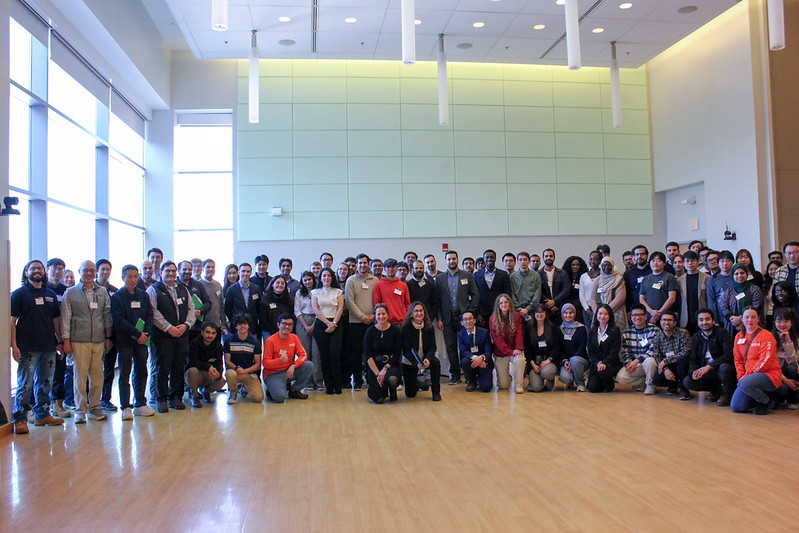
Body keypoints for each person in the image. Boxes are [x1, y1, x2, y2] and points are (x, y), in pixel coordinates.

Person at [10, 260, 64, 434]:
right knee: (25, 383)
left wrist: (60, 341)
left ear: (43, 272)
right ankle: (20, 418)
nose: (37, 271)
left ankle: (42, 414)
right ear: (26, 273)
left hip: (48, 346)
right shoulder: (19, 294)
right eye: (33, 269)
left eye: (39, 268)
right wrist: (14, 345)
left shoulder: (50, 295)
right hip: (27, 347)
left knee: (46, 382)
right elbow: (12, 322)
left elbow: (56, 321)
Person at [62, 260, 113, 423]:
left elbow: (107, 316)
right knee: (80, 376)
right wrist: (66, 341)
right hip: (78, 340)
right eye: (86, 271)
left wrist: (108, 338)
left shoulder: (102, 292)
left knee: (97, 376)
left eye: (92, 271)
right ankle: (80, 410)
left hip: (98, 340)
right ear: (80, 271)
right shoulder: (70, 293)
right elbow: (65, 318)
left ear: (95, 272)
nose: (89, 274)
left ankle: (95, 408)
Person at [147, 261, 196, 413]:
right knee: (163, 367)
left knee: (178, 366)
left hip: (181, 335)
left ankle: (176, 397)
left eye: (173, 271)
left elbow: (191, 309)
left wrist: (186, 325)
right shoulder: (153, 290)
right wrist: (168, 328)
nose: (171, 274)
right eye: (167, 271)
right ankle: (161, 398)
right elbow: (153, 312)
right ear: (161, 272)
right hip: (162, 337)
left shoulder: (183, 289)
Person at [110, 264, 155, 419]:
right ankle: (125, 406)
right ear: (123, 277)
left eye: (136, 276)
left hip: (142, 341)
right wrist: (137, 333)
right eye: (129, 276)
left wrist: (145, 333)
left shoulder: (143, 295)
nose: (133, 279)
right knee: (124, 372)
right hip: (125, 340)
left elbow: (149, 315)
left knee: (142, 370)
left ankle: (140, 403)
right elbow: (119, 320)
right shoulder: (116, 297)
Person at [435, 250, 479, 385]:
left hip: (464, 318)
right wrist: (439, 318)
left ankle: (469, 375)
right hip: (448, 319)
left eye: (453, 259)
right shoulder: (440, 278)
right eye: (449, 259)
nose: (451, 261)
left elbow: (475, 295)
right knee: (451, 347)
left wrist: (470, 313)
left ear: (457, 260)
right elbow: (437, 300)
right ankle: (455, 375)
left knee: (467, 346)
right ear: (445, 261)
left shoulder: (466, 276)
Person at [730, 307, 781, 415]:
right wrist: (741, 376)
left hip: (768, 375)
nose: (750, 320)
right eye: (747, 317)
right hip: (747, 379)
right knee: (736, 407)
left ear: (758, 319)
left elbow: (765, 361)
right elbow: (738, 360)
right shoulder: (738, 337)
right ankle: (757, 398)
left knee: (745, 383)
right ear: (742, 319)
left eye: (753, 317)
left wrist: (746, 376)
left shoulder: (766, 336)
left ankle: (765, 401)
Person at [683, 308, 736, 406]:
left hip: (720, 368)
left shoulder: (722, 333)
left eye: (707, 319)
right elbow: (693, 359)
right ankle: (716, 390)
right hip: (706, 370)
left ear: (713, 321)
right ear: (698, 323)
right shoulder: (695, 337)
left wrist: (710, 366)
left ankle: (727, 395)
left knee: (725, 368)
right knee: (688, 381)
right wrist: (693, 372)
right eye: (701, 320)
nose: (704, 322)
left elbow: (728, 354)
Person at [262, 313, 315, 403]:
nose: (287, 327)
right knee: (280, 398)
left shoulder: (294, 338)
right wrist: (279, 361)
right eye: (284, 324)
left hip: (288, 371)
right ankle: (271, 390)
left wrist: (293, 365)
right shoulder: (270, 341)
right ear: (278, 325)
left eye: (290, 324)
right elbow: (265, 363)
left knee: (309, 365)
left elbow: (303, 355)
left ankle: (294, 390)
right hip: (273, 374)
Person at [344, 254, 378, 391]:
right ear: (356, 264)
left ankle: (371, 379)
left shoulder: (375, 280)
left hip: (373, 322)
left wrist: (373, 316)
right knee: (356, 353)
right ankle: (357, 380)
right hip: (356, 323)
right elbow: (349, 301)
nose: (363, 265)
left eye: (365, 262)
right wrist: (362, 317)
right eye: (360, 263)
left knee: (371, 352)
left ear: (369, 264)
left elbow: (378, 299)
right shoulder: (351, 280)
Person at [311, 267, 345, 394]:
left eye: (329, 275)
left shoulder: (338, 292)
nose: (326, 278)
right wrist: (327, 323)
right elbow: (315, 309)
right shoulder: (315, 292)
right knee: (324, 356)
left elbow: (340, 308)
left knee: (334, 355)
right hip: (321, 324)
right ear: (320, 278)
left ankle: (338, 385)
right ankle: (329, 386)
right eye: (324, 275)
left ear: (332, 277)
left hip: (336, 324)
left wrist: (334, 323)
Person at [616, 304, 662, 394]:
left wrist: (637, 360)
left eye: (640, 315)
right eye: (634, 315)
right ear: (631, 317)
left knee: (650, 361)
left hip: (651, 363)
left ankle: (650, 385)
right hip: (636, 365)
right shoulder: (627, 332)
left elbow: (654, 350)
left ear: (645, 317)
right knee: (621, 377)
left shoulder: (654, 330)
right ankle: (642, 383)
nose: (637, 317)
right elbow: (625, 352)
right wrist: (629, 363)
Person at [401, 302, 442, 401]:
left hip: (425, 357)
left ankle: (436, 393)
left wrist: (427, 359)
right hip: (410, 361)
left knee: (436, 363)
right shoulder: (405, 328)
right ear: (411, 313)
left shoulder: (429, 326)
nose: (419, 313)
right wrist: (417, 364)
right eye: (416, 311)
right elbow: (406, 350)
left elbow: (433, 346)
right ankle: (418, 383)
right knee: (410, 394)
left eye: (421, 310)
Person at [363, 304, 401, 404]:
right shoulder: (370, 331)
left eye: (383, 314)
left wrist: (385, 369)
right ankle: (382, 391)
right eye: (378, 314)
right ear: (375, 316)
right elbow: (368, 355)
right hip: (374, 366)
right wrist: (378, 373)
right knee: (378, 400)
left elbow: (397, 354)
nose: (381, 317)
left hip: (390, 365)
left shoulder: (395, 331)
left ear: (388, 315)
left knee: (392, 380)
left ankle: (392, 390)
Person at [223, 314, 264, 404]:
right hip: (234, 372)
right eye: (240, 324)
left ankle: (244, 387)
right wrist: (237, 369)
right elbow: (227, 361)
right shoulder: (229, 340)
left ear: (248, 326)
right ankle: (233, 392)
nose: (242, 326)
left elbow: (257, 364)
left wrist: (244, 371)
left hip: (248, 373)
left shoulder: (255, 342)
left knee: (259, 398)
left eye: (245, 324)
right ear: (236, 326)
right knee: (230, 374)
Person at [488, 294, 525, 393]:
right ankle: (507, 377)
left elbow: (518, 334)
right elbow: (497, 340)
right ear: (498, 305)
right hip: (501, 353)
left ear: (510, 304)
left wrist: (518, 349)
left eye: (506, 302)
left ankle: (518, 385)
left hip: (515, 350)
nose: (504, 304)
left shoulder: (516, 316)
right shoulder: (493, 319)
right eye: (501, 303)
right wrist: (510, 351)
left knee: (520, 359)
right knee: (503, 386)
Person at [96, 259, 120, 412]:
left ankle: (105, 399)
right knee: (93, 370)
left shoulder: (114, 290)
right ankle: (90, 400)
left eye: (108, 269)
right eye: (102, 269)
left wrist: (109, 338)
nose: (105, 272)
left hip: (112, 336)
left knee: (109, 369)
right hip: (93, 336)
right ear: (97, 271)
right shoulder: (90, 290)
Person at [651, 311, 691, 399]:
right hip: (668, 366)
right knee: (657, 380)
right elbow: (658, 357)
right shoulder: (657, 337)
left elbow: (686, 351)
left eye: (670, 320)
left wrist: (665, 361)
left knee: (683, 361)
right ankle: (672, 386)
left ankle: (683, 388)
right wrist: (665, 369)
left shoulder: (683, 333)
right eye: (664, 320)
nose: (666, 323)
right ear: (660, 322)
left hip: (681, 364)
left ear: (675, 323)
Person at [185, 322, 225, 407]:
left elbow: (220, 364)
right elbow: (193, 362)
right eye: (207, 332)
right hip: (194, 374)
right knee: (192, 371)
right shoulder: (194, 343)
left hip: (208, 374)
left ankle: (205, 392)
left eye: (213, 333)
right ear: (202, 332)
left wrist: (218, 374)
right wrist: (208, 367)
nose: (210, 335)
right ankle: (194, 396)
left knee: (221, 382)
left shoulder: (218, 346)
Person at [720, 263, 764, 337]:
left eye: (742, 273)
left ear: (746, 274)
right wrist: (732, 318)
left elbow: (757, 306)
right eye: (736, 274)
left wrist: (741, 319)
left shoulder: (754, 289)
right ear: (732, 276)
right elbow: (723, 306)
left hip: (751, 324)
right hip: (732, 326)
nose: (739, 276)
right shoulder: (729, 291)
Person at [525, 304, 562, 392]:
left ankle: (549, 379)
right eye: (537, 312)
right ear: (534, 314)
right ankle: (535, 382)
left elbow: (557, 346)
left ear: (546, 313)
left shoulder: (552, 327)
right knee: (537, 388)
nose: (539, 314)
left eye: (542, 312)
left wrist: (549, 360)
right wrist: (533, 364)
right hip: (535, 363)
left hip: (549, 361)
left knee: (546, 373)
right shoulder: (529, 328)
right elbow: (527, 348)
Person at [586, 304, 623, 393]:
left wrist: (605, 363)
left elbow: (615, 350)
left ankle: (609, 385)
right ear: (596, 315)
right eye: (600, 314)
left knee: (603, 373)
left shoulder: (615, 330)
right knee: (592, 388)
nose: (602, 316)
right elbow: (590, 350)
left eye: (606, 314)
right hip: (597, 364)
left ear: (610, 316)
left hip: (610, 364)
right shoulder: (592, 330)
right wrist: (598, 362)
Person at [295, 271, 323, 390]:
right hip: (302, 321)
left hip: (317, 320)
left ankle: (318, 381)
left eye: (309, 279)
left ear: (314, 280)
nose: (307, 282)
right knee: (305, 353)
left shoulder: (319, 291)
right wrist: (306, 326)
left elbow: (321, 308)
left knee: (317, 353)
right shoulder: (299, 293)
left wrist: (314, 324)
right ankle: (308, 382)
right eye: (305, 280)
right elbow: (297, 310)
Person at [457, 311, 494, 392]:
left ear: (474, 320)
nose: (468, 321)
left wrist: (481, 358)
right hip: (471, 361)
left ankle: (481, 378)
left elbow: (489, 351)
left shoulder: (484, 332)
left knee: (486, 387)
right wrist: (477, 359)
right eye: (465, 319)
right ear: (462, 323)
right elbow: (463, 351)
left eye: (470, 319)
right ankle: (472, 381)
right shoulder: (460, 334)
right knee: (464, 361)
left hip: (485, 362)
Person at [473, 249, 511, 327]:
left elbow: (507, 293)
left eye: (492, 257)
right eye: (487, 257)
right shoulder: (476, 275)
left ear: (495, 258)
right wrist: (477, 313)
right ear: (484, 259)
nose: (489, 259)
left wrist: (504, 312)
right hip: (482, 314)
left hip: (499, 312)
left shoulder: (503, 275)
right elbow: (474, 295)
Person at [639, 252, 678, 325]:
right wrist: (651, 312)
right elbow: (641, 299)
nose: (655, 263)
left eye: (658, 260)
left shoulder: (669, 277)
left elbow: (672, 299)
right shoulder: (645, 279)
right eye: (653, 261)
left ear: (664, 264)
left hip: (665, 317)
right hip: (648, 316)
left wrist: (658, 314)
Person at [772, 307, 799, 409]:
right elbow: (770, 365)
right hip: (776, 373)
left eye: (786, 321)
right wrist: (785, 380)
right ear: (774, 322)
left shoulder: (796, 338)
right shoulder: (770, 337)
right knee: (783, 389)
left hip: (790, 371)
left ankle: (793, 400)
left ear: (792, 323)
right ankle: (777, 400)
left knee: (793, 367)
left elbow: (792, 360)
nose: (782, 324)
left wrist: (788, 342)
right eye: (779, 321)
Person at [589, 257, 627, 329]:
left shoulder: (618, 279)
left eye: (608, 265)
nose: (606, 267)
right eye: (604, 265)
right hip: (599, 314)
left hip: (615, 312)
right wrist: (597, 311)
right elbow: (592, 298)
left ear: (612, 266)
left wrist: (606, 311)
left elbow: (620, 298)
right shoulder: (598, 280)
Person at [558, 303, 589, 391]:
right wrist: (565, 361)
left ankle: (580, 383)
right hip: (566, 362)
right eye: (565, 313)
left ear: (574, 314)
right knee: (565, 378)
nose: (568, 315)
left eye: (570, 313)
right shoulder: (559, 329)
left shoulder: (581, 328)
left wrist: (571, 361)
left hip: (580, 361)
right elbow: (559, 348)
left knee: (575, 360)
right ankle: (570, 381)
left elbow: (582, 347)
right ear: (562, 314)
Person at [677, 250, 709, 335]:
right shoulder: (680, 280)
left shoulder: (706, 278)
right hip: (686, 318)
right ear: (683, 263)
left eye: (693, 260)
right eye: (687, 261)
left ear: (698, 261)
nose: (690, 263)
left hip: (702, 317)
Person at [224, 262, 259, 336]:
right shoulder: (231, 290)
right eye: (243, 271)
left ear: (251, 273)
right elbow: (227, 309)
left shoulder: (256, 289)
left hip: (252, 327)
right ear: (238, 273)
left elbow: (258, 307)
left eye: (248, 271)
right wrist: (235, 320)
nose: (245, 274)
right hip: (237, 327)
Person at [372, 257, 410, 325]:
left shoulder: (403, 285)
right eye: (388, 267)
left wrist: (405, 315)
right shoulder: (378, 285)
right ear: (384, 269)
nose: (391, 269)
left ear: (396, 268)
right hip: (386, 322)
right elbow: (376, 304)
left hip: (402, 322)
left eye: (393, 267)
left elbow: (407, 304)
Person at [539, 249, 571, 324]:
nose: (548, 258)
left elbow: (566, 290)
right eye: (546, 256)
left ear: (554, 258)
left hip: (560, 308)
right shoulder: (538, 274)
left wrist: (555, 302)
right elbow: (538, 291)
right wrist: (548, 304)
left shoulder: (562, 273)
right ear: (543, 258)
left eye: (551, 256)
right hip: (545, 309)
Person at [509, 251, 541, 321]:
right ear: (517, 262)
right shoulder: (513, 277)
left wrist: (527, 309)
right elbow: (512, 293)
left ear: (529, 261)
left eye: (525, 259)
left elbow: (537, 294)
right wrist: (518, 308)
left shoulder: (536, 276)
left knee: (532, 331)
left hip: (532, 310)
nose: (523, 262)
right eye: (520, 260)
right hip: (517, 311)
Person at [707, 250, 734, 324]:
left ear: (732, 262)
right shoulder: (712, 279)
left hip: (735, 316)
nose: (725, 264)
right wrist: (715, 320)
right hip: (720, 317)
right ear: (718, 263)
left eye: (728, 261)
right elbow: (711, 301)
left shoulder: (737, 277)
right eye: (722, 261)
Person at [198, 259, 225, 332]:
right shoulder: (198, 285)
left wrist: (223, 323)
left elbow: (221, 305)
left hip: (216, 324)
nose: (211, 269)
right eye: (208, 267)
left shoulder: (218, 285)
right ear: (203, 269)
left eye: (213, 267)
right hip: (202, 326)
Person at [623, 245, 651, 310]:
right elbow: (627, 294)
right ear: (633, 257)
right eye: (637, 254)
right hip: (634, 309)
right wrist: (628, 310)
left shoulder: (653, 271)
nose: (639, 257)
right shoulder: (628, 273)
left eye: (642, 254)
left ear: (647, 255)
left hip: (651, 308)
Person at [578, 250, 602, 325]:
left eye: (596, 259)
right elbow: (581, 295)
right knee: (589, 332)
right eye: (591, 259)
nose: (593, 261)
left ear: (600, 261)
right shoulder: (584, 276)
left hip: (600, 308)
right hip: (587, 308)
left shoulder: (603, 276)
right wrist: (587, 310)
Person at [562, 255, 588, 324]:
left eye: (577, 265)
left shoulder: (584, 277)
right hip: (567, 305)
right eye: (573, 265)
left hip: (579, 306)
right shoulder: (565, 276)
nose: (575, 267)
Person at [763, 259, 782, 329]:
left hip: (779, 314)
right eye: (771, 269)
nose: (773, 271)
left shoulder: (782, 284)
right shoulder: (765, 284)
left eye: (776, 269)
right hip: (768, 314)